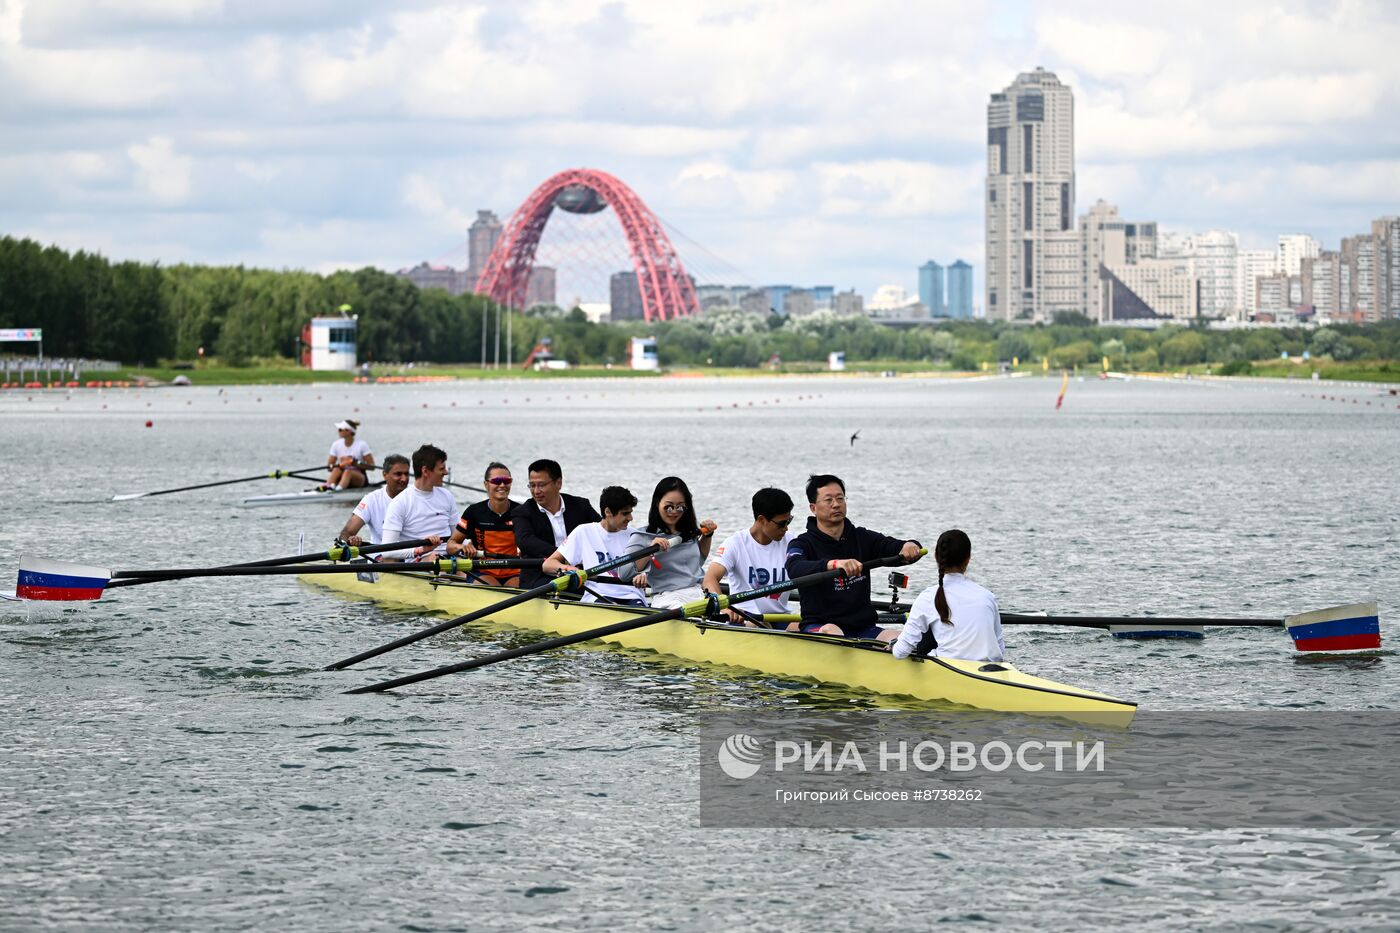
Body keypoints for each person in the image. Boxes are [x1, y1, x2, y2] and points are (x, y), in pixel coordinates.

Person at [784, 473, 921, 642]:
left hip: (863, 628)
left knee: (904, 639)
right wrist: (833, 564)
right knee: (832, 632)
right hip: (820, 626)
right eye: (829, 500)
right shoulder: (802, 543)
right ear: (813, 508)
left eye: (840, 498)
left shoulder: (861, 537)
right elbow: (794, 568)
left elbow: (894, 547)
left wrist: (910, 545)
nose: (836, 504)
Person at [891, 530, 1004, 662]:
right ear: (968, 559)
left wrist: (894, 645)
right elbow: (1000, 648)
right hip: (992, 671)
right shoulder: (987, 596)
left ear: (936, 557)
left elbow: (900, 653)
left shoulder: (928, 597)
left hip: (948, 670)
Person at [702, 487, 799, 628]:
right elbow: (709, 580)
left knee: (807, 626)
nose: (786, 528)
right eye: (782, 523)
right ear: (761, 519)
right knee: (757, 625)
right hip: (744, 617)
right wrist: (724, 608)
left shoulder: (792, 543)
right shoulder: (735, 543)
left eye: (789, 521)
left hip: (781, 617)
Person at [541, 486, 651, 606]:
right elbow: (548, 564)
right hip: (598, 595)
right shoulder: (584, 532)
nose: (630, 518)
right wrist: (569, 569)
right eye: (625, 513)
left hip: (632, 594)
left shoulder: (636, 536)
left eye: (630, 512)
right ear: (608, 512)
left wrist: (644, 575)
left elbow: (651, 569)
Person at [628, 477, 717, 609]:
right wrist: (650, 549)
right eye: (668, 507)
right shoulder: (643, 535)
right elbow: (625, 573)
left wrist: (707, 535)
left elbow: (699, 561)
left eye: (680, 507)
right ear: (657, 503)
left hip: (698, 593)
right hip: (667, 598)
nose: (674, 512)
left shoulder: (689, 532)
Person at [511, 459, 601, 588]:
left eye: (541, 485)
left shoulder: (581, 505)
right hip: (539, 577)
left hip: (580, 572)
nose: (536, 491)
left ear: (558, 483)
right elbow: (525, 541)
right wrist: (565, 556)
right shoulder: (522, 512)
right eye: (532, 485)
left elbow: (600, 530)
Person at [447, 461, 521, 587]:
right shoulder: (473, 512)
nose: (502, 485)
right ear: (486, 484)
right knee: (495, 590)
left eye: (507, 481)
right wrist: (462, 548)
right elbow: (451, 545)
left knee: (512, 591)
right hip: (483, 571)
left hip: (514, 571)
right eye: (497, 481)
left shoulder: (521, 512)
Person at [379, 444, 455, 560]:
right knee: (435, 558)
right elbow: (386, 552)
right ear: (425, 471)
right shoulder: (400, 503)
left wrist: (468, 546)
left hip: (451, 557)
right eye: (441, 469)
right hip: (421, 560)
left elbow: (458, 537)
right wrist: (420, 550)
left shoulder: (447, 496)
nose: (446, 472)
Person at [338, 454, 411, 546]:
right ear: (385, 475)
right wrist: (349, 540)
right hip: (380, 557)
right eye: (398, 474)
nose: (404, 479)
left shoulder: (416, 496)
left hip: (412, 556)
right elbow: (347, 532)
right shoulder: (371, 500)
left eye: (406, 474)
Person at [326, 419, 374, 490]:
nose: (338, 431)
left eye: (340, 429)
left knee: (348, 472)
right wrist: (340, 465)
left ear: (349, 431)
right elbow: (329, 467)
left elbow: (372, 466)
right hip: (341, 475)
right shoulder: (336, 444)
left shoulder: (362, 445)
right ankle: (328, 487)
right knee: (336, 469)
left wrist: (354, 464)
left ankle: (338, 490)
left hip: (359, 478)